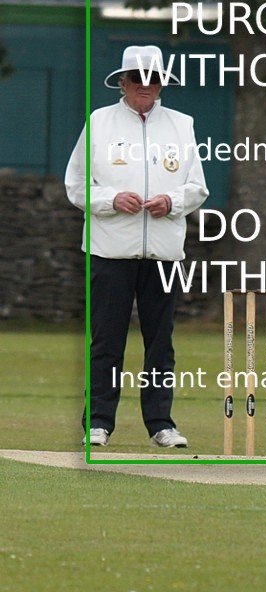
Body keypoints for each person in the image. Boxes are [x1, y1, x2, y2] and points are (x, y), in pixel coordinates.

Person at [65, 45, 208, 448]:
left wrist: (172, 202)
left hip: (164, 252)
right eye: (137, 78)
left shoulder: (182, 124)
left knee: (160, 343)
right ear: (123, 82)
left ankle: (161, 424)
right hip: (110, 250)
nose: (145, 85)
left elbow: (197, 188)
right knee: (106, 340)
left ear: (161, 83)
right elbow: (77, 186)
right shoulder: (99, 123)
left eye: (153, 78)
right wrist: (111, 201)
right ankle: (98, 422)